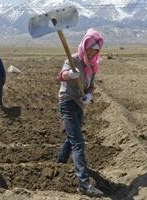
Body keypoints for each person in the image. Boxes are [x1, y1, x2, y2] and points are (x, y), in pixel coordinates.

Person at [57, 28, 104, 197]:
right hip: (67, 102)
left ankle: (60, 162)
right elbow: (60, 76)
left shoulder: (93, 65)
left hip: (79, 105)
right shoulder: (74, 60)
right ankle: (84, 184)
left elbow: (91, 85)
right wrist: (70, 74)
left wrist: (89, 94)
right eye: (91, 48)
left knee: (73, 137)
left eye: (96, 50)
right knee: (78, 142)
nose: (93, 52)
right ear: (85, 46)